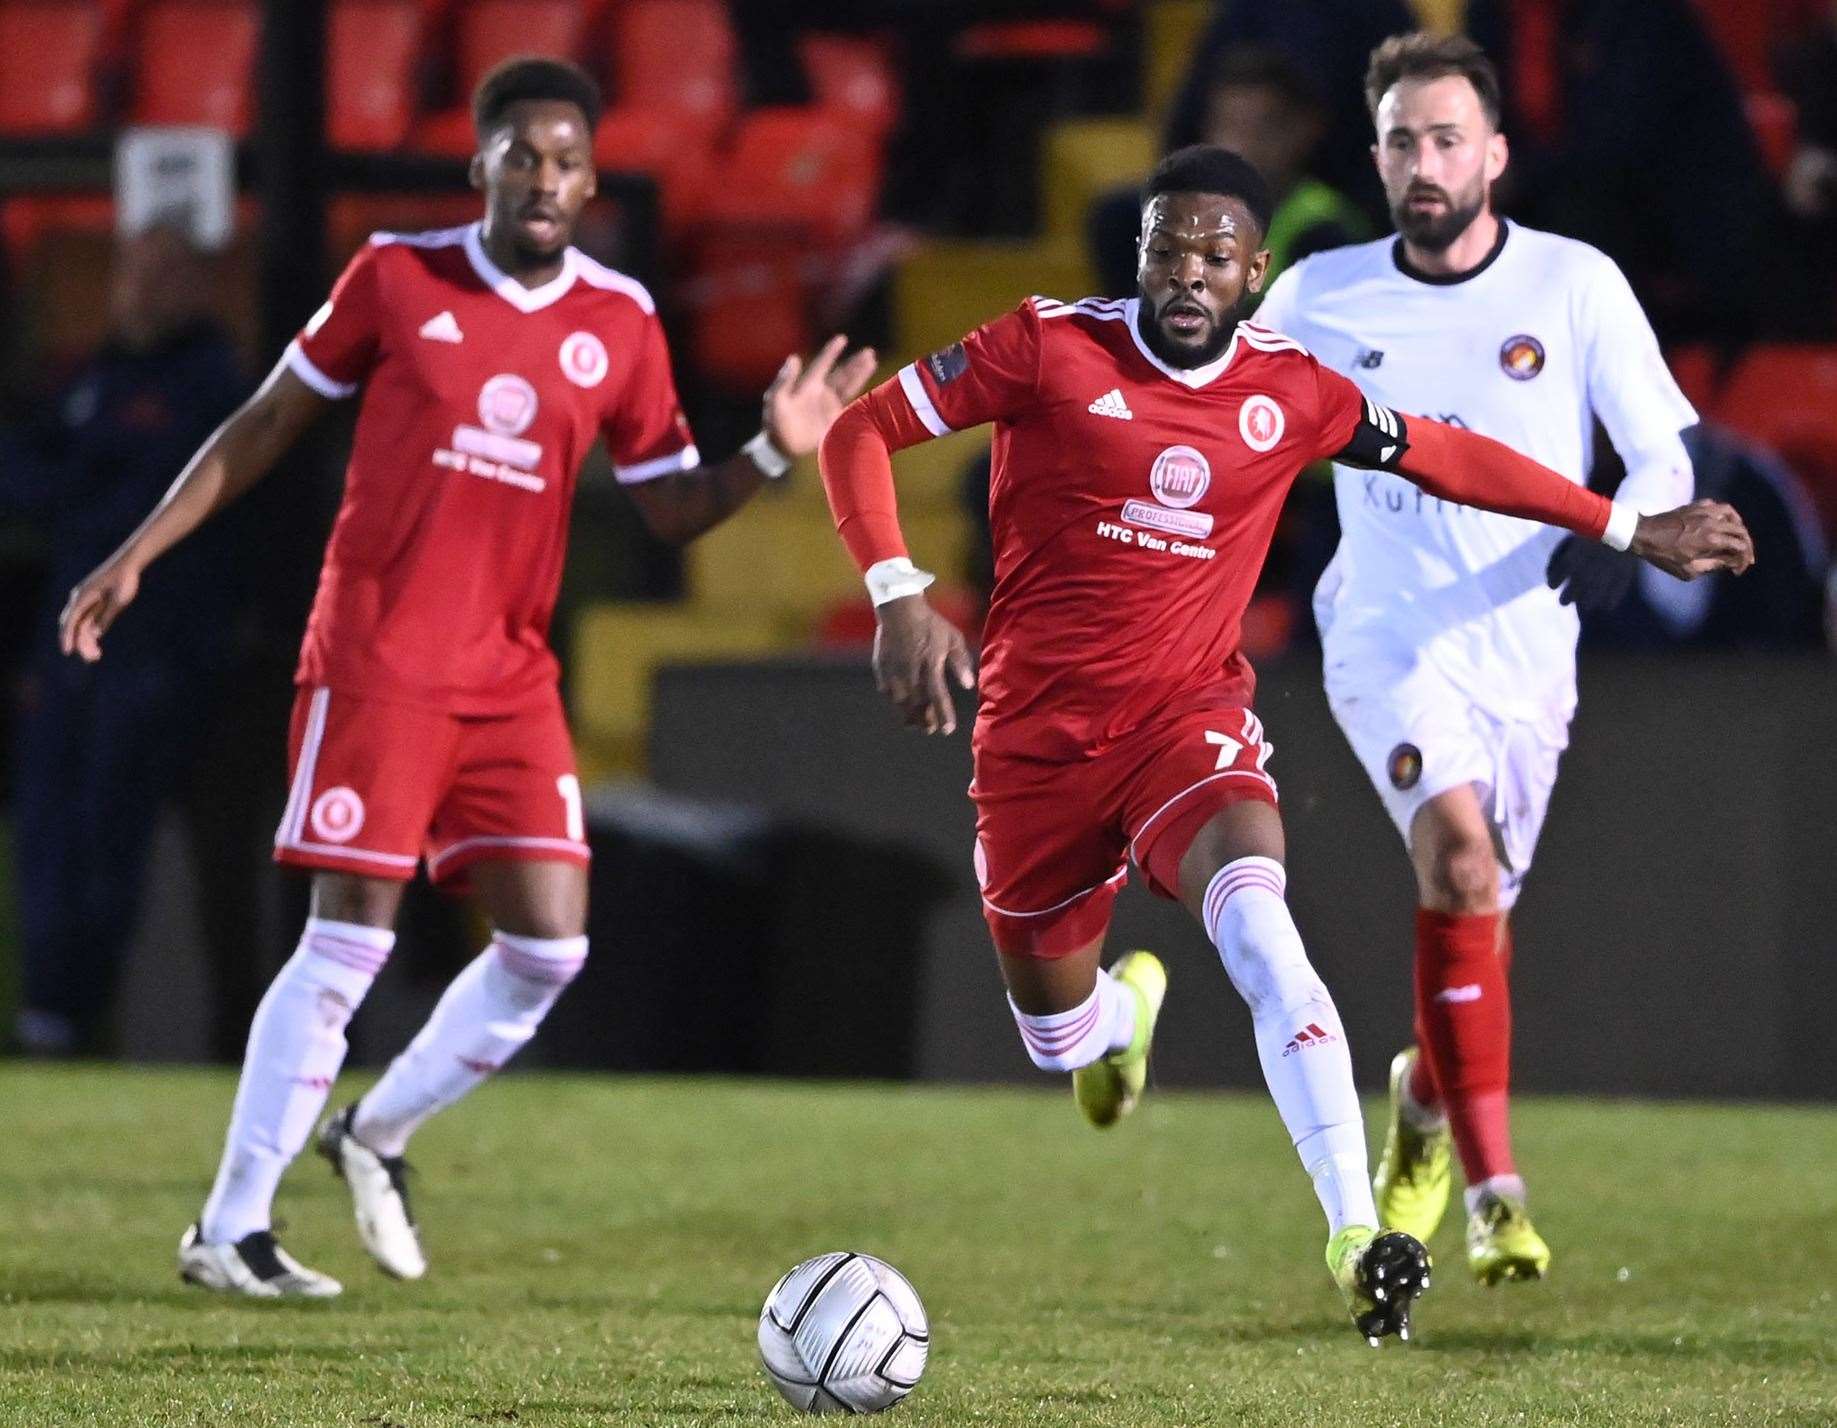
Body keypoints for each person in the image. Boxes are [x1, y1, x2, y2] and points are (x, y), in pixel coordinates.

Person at [816, 143, 1751, 1343]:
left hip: (1183, 727)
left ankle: (1358, 1235)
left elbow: (1450, 454)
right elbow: (859, 432)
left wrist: (1625, 523)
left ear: (1254, 271)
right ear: (1141, 253)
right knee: (1056, 1036)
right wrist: (897, 591)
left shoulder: (1291, 389)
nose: (1188, 275)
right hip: (1034, 747)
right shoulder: (1047, 346)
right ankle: (1117, 1021)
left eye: (1215, 254)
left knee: (1262, 929)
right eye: (1168, 249)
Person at [59, 58, 875, 1297]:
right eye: (521, 155)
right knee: (350, 943)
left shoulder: (620, 321)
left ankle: (375, 1132)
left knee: (551, 949)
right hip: (380, 655)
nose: (543, 179)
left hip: (508, 673)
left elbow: (669, 513)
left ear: (592, 180)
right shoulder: (396, 274)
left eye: (564, 161)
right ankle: (230, 1225)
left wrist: (773, 445)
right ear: (480, 164)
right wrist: (136, 556)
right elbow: (266, 423)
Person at [1252, 32, 1716, 1286]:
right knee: (1455, 858)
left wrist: (1629, 529)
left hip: (1526, 645)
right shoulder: (1317, 296)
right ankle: (1496, 1194)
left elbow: (1664, 447)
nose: (1424, 161)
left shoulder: (1572, 285)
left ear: (1495, 154)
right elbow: (1222, 420)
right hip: (1384, 631)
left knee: (1479, 911)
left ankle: (1422, 1103)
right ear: (1376, 155)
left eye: (1447, 137)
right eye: (1402, 139)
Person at [1, 221, 248, 1056]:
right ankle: (48, 1012)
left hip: (155, 652)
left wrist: (78, 485)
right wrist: (80, 482)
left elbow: (137, 505)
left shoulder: (211, 385)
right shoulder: (93, 377)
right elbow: (26, 477)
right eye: (132, 272)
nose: (142, 291)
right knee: (48, 832)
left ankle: (84, 1010)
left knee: (113, 838)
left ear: (198, 286)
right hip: (68, 649)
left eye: (164, 273)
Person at [1089, 45, 1368, 301]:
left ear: (1301, 132)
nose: (1239, 146)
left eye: (1260, 130)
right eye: (1228, 127)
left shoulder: (1324, 230)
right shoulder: (1161, 214)